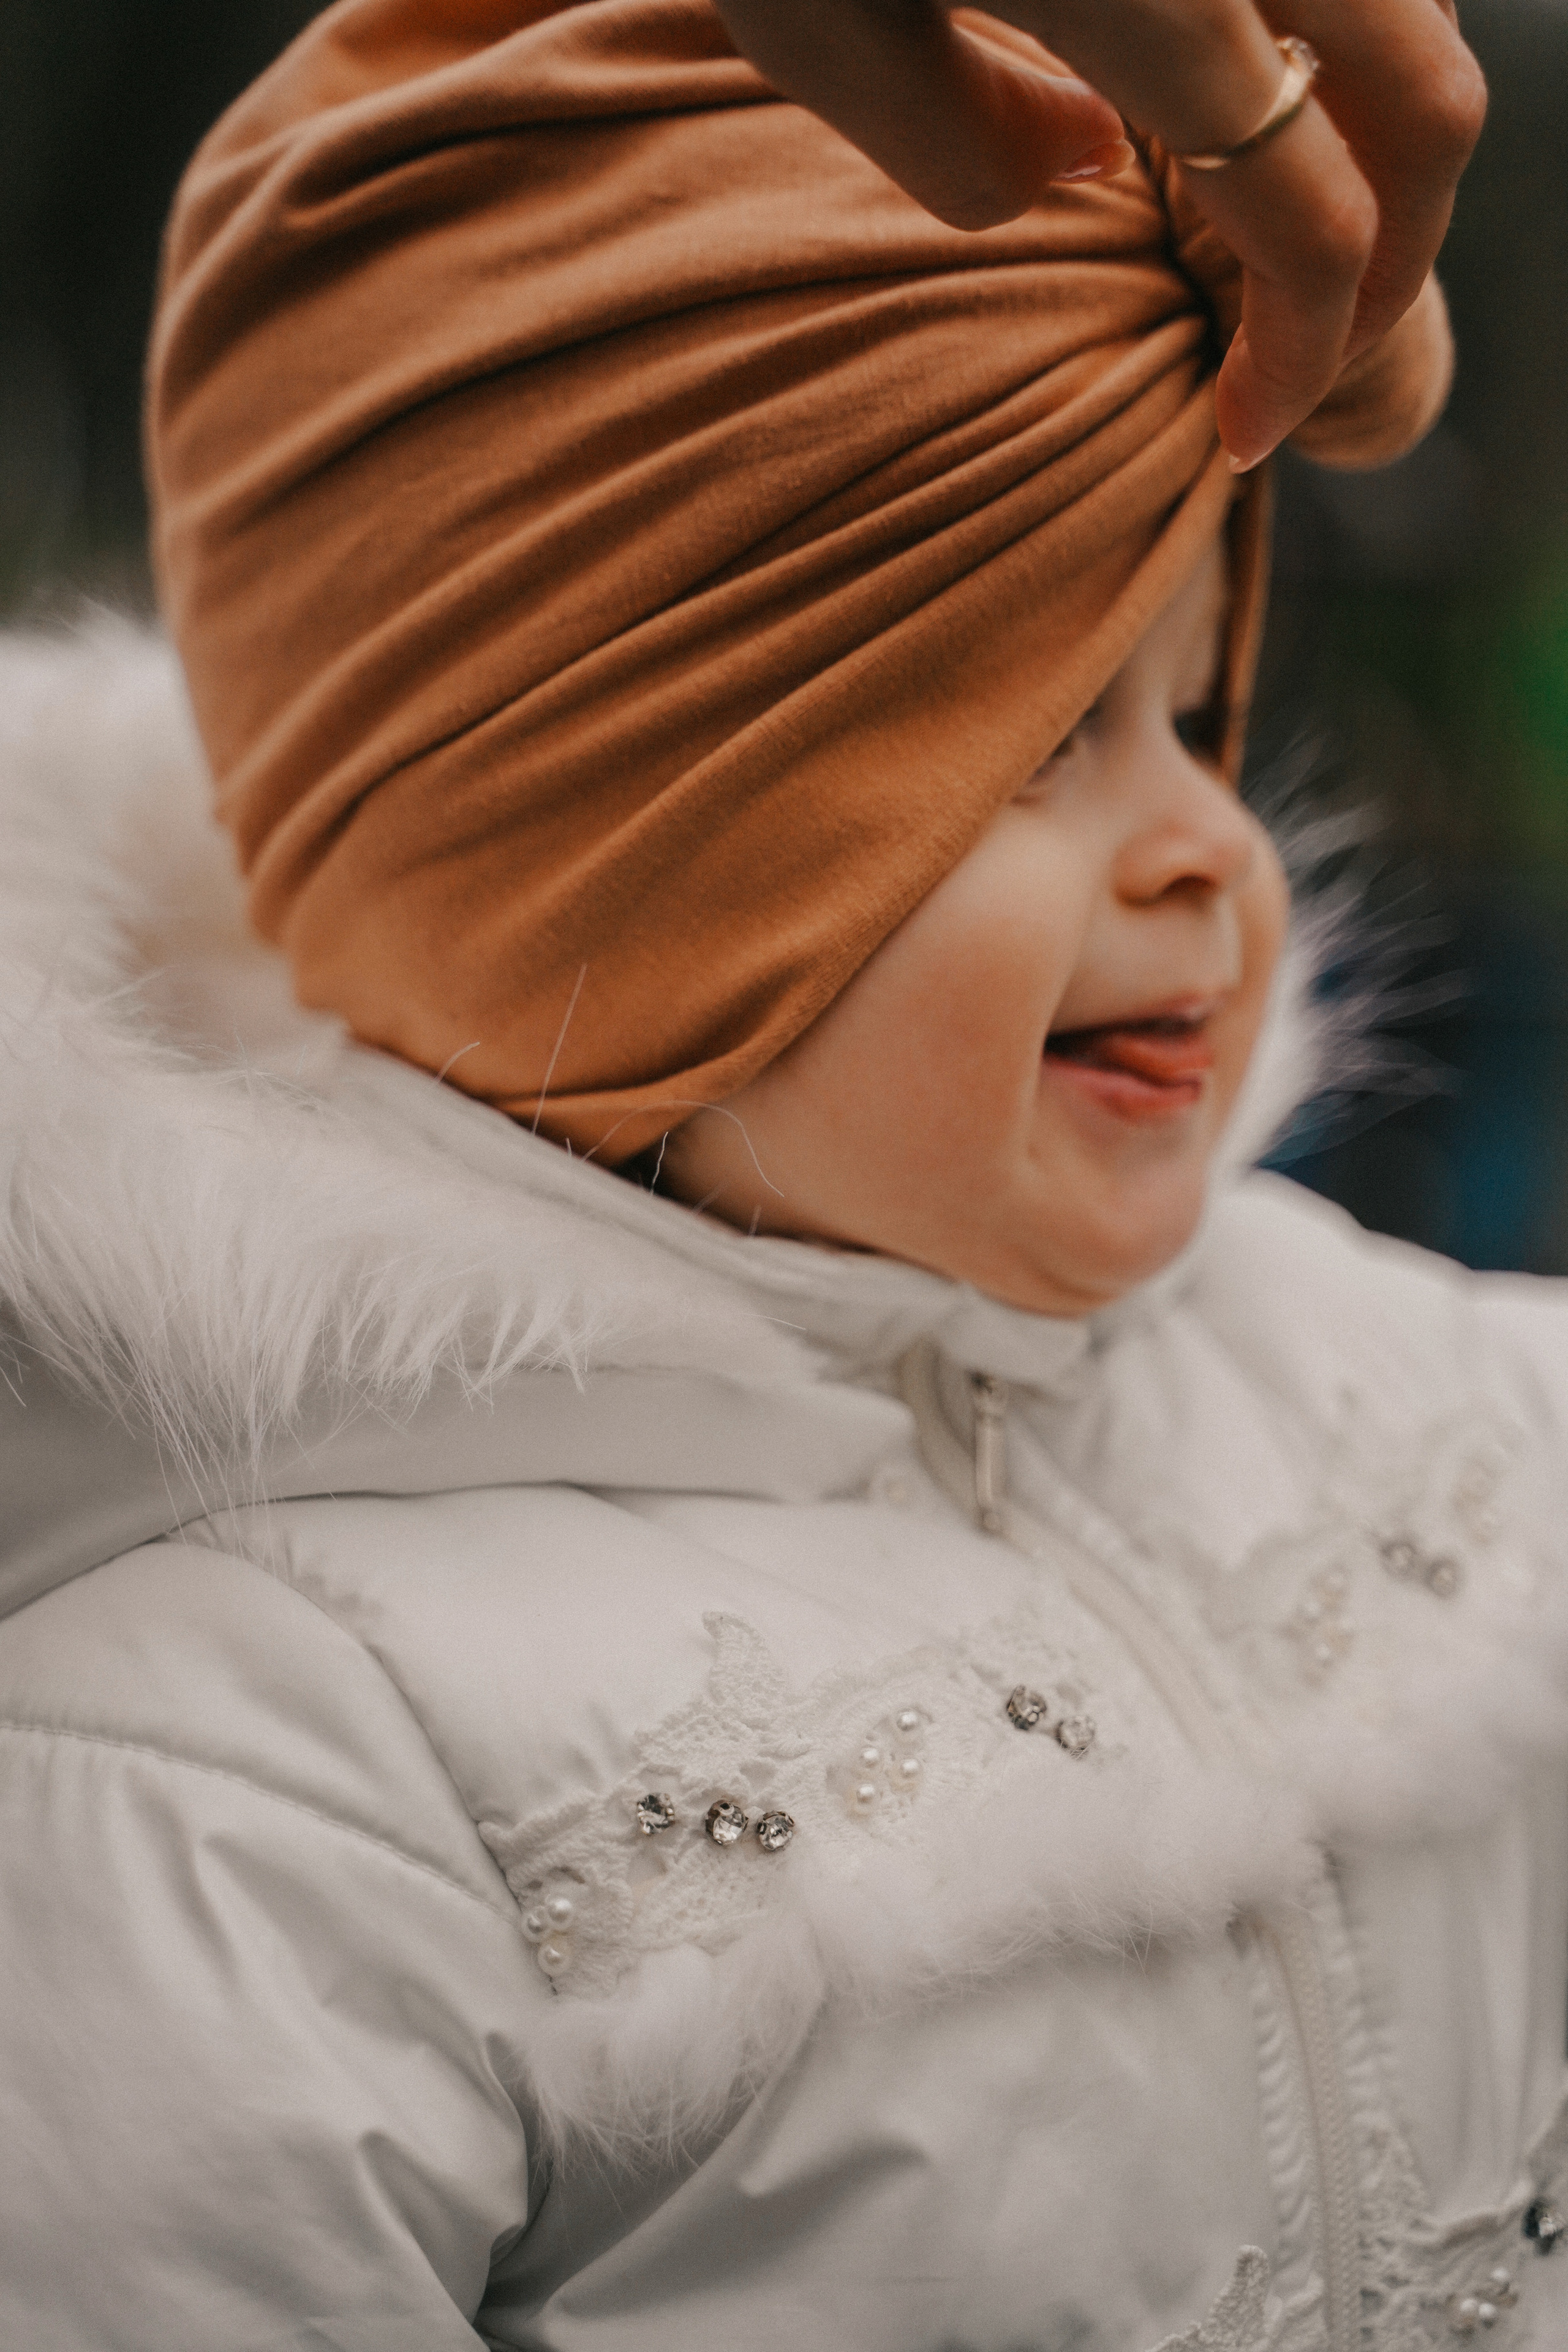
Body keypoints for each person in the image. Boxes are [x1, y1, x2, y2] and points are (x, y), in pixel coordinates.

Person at [1, 5, 1561, 2350]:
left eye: (1193, 706)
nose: (1205, 851)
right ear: (585, 867)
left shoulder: (1402, 1399)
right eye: (1033, 744)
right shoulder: (244, 1767)